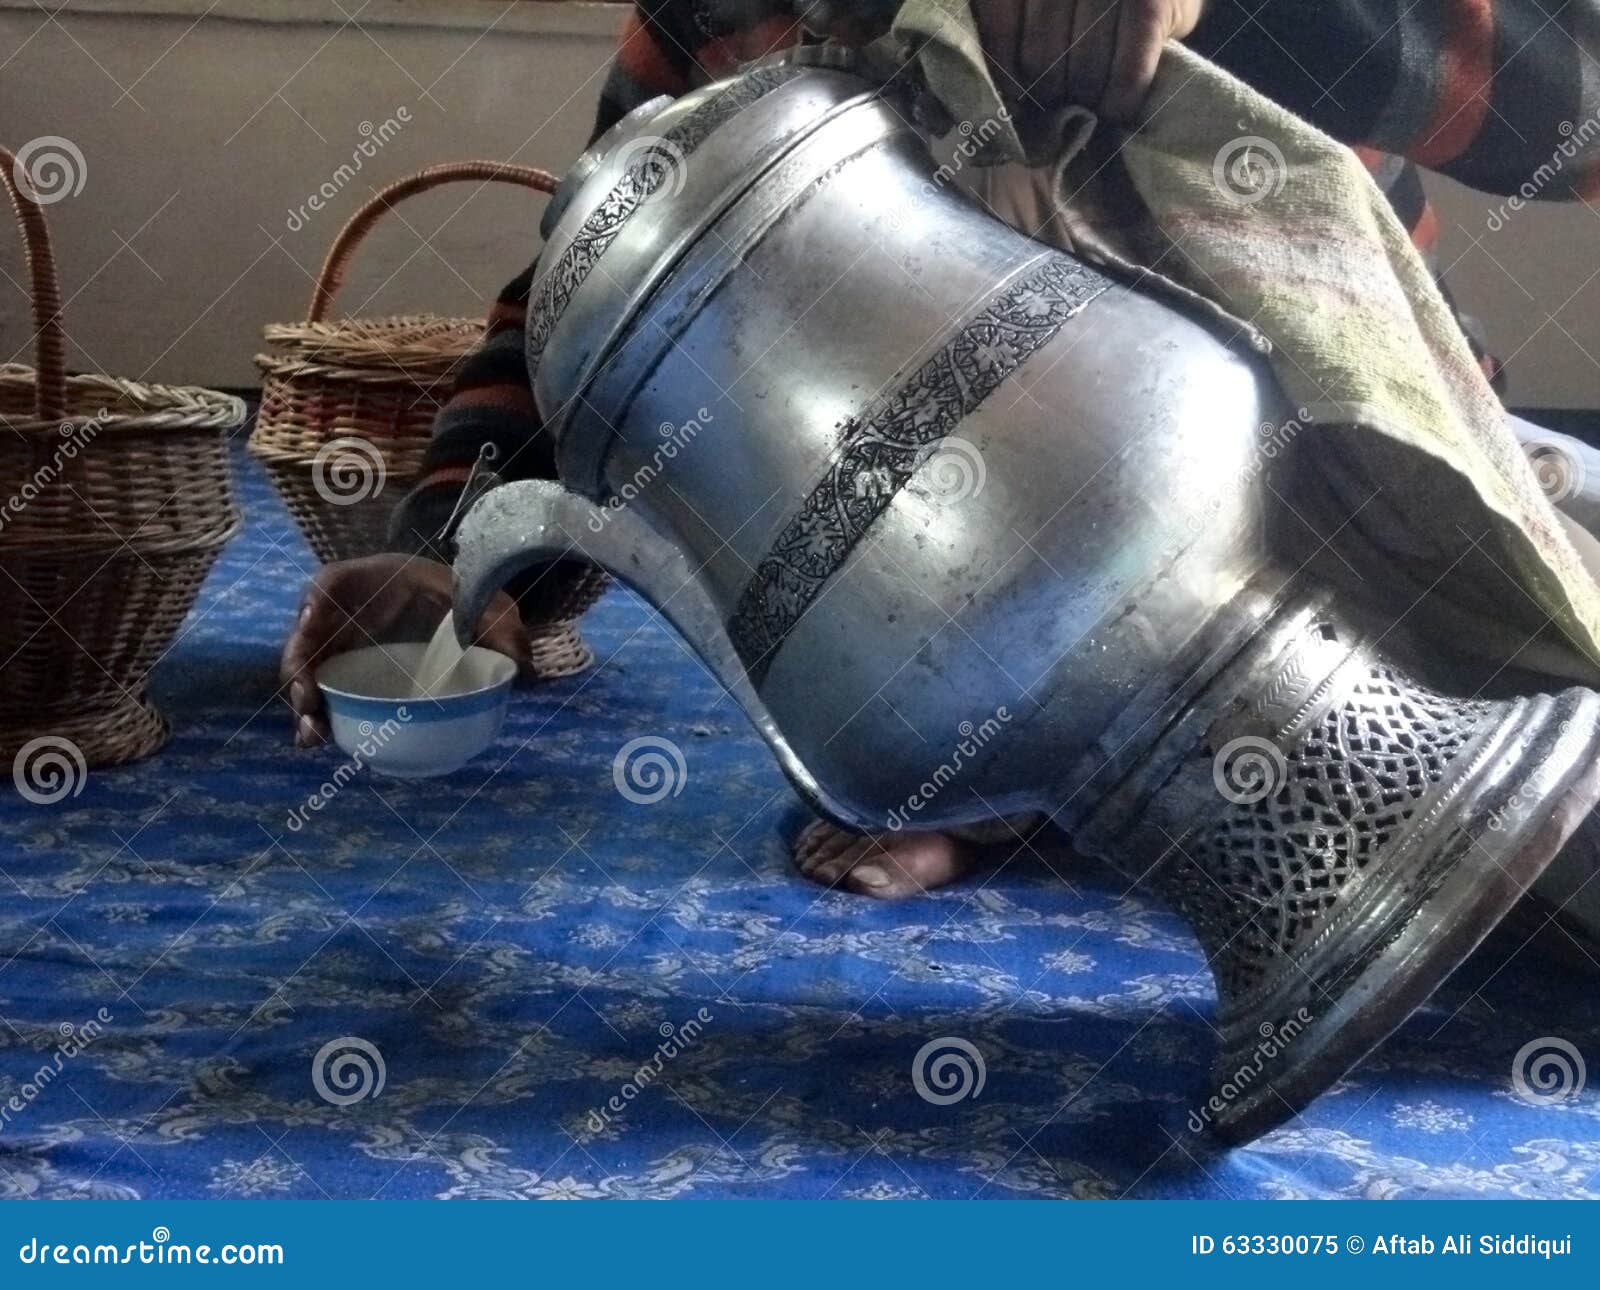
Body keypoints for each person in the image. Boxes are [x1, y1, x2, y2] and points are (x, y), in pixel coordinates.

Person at [282, 0, 1600, 898]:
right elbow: (618, 297)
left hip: (1379, 506)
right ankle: (1024, 769)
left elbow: (1571, 113)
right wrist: (454, 564)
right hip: (968, 622)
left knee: (1540, 792)